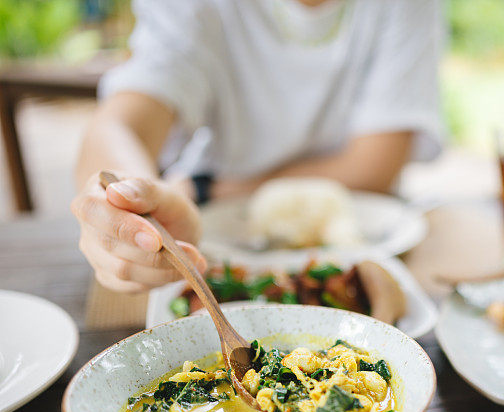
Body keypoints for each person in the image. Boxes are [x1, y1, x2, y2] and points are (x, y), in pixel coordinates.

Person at [71, 0, 443, 293]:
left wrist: (206, 187)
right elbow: (119, 124)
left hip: (373, 246)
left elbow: (373, 168)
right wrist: (126, 204)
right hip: (217, 245)